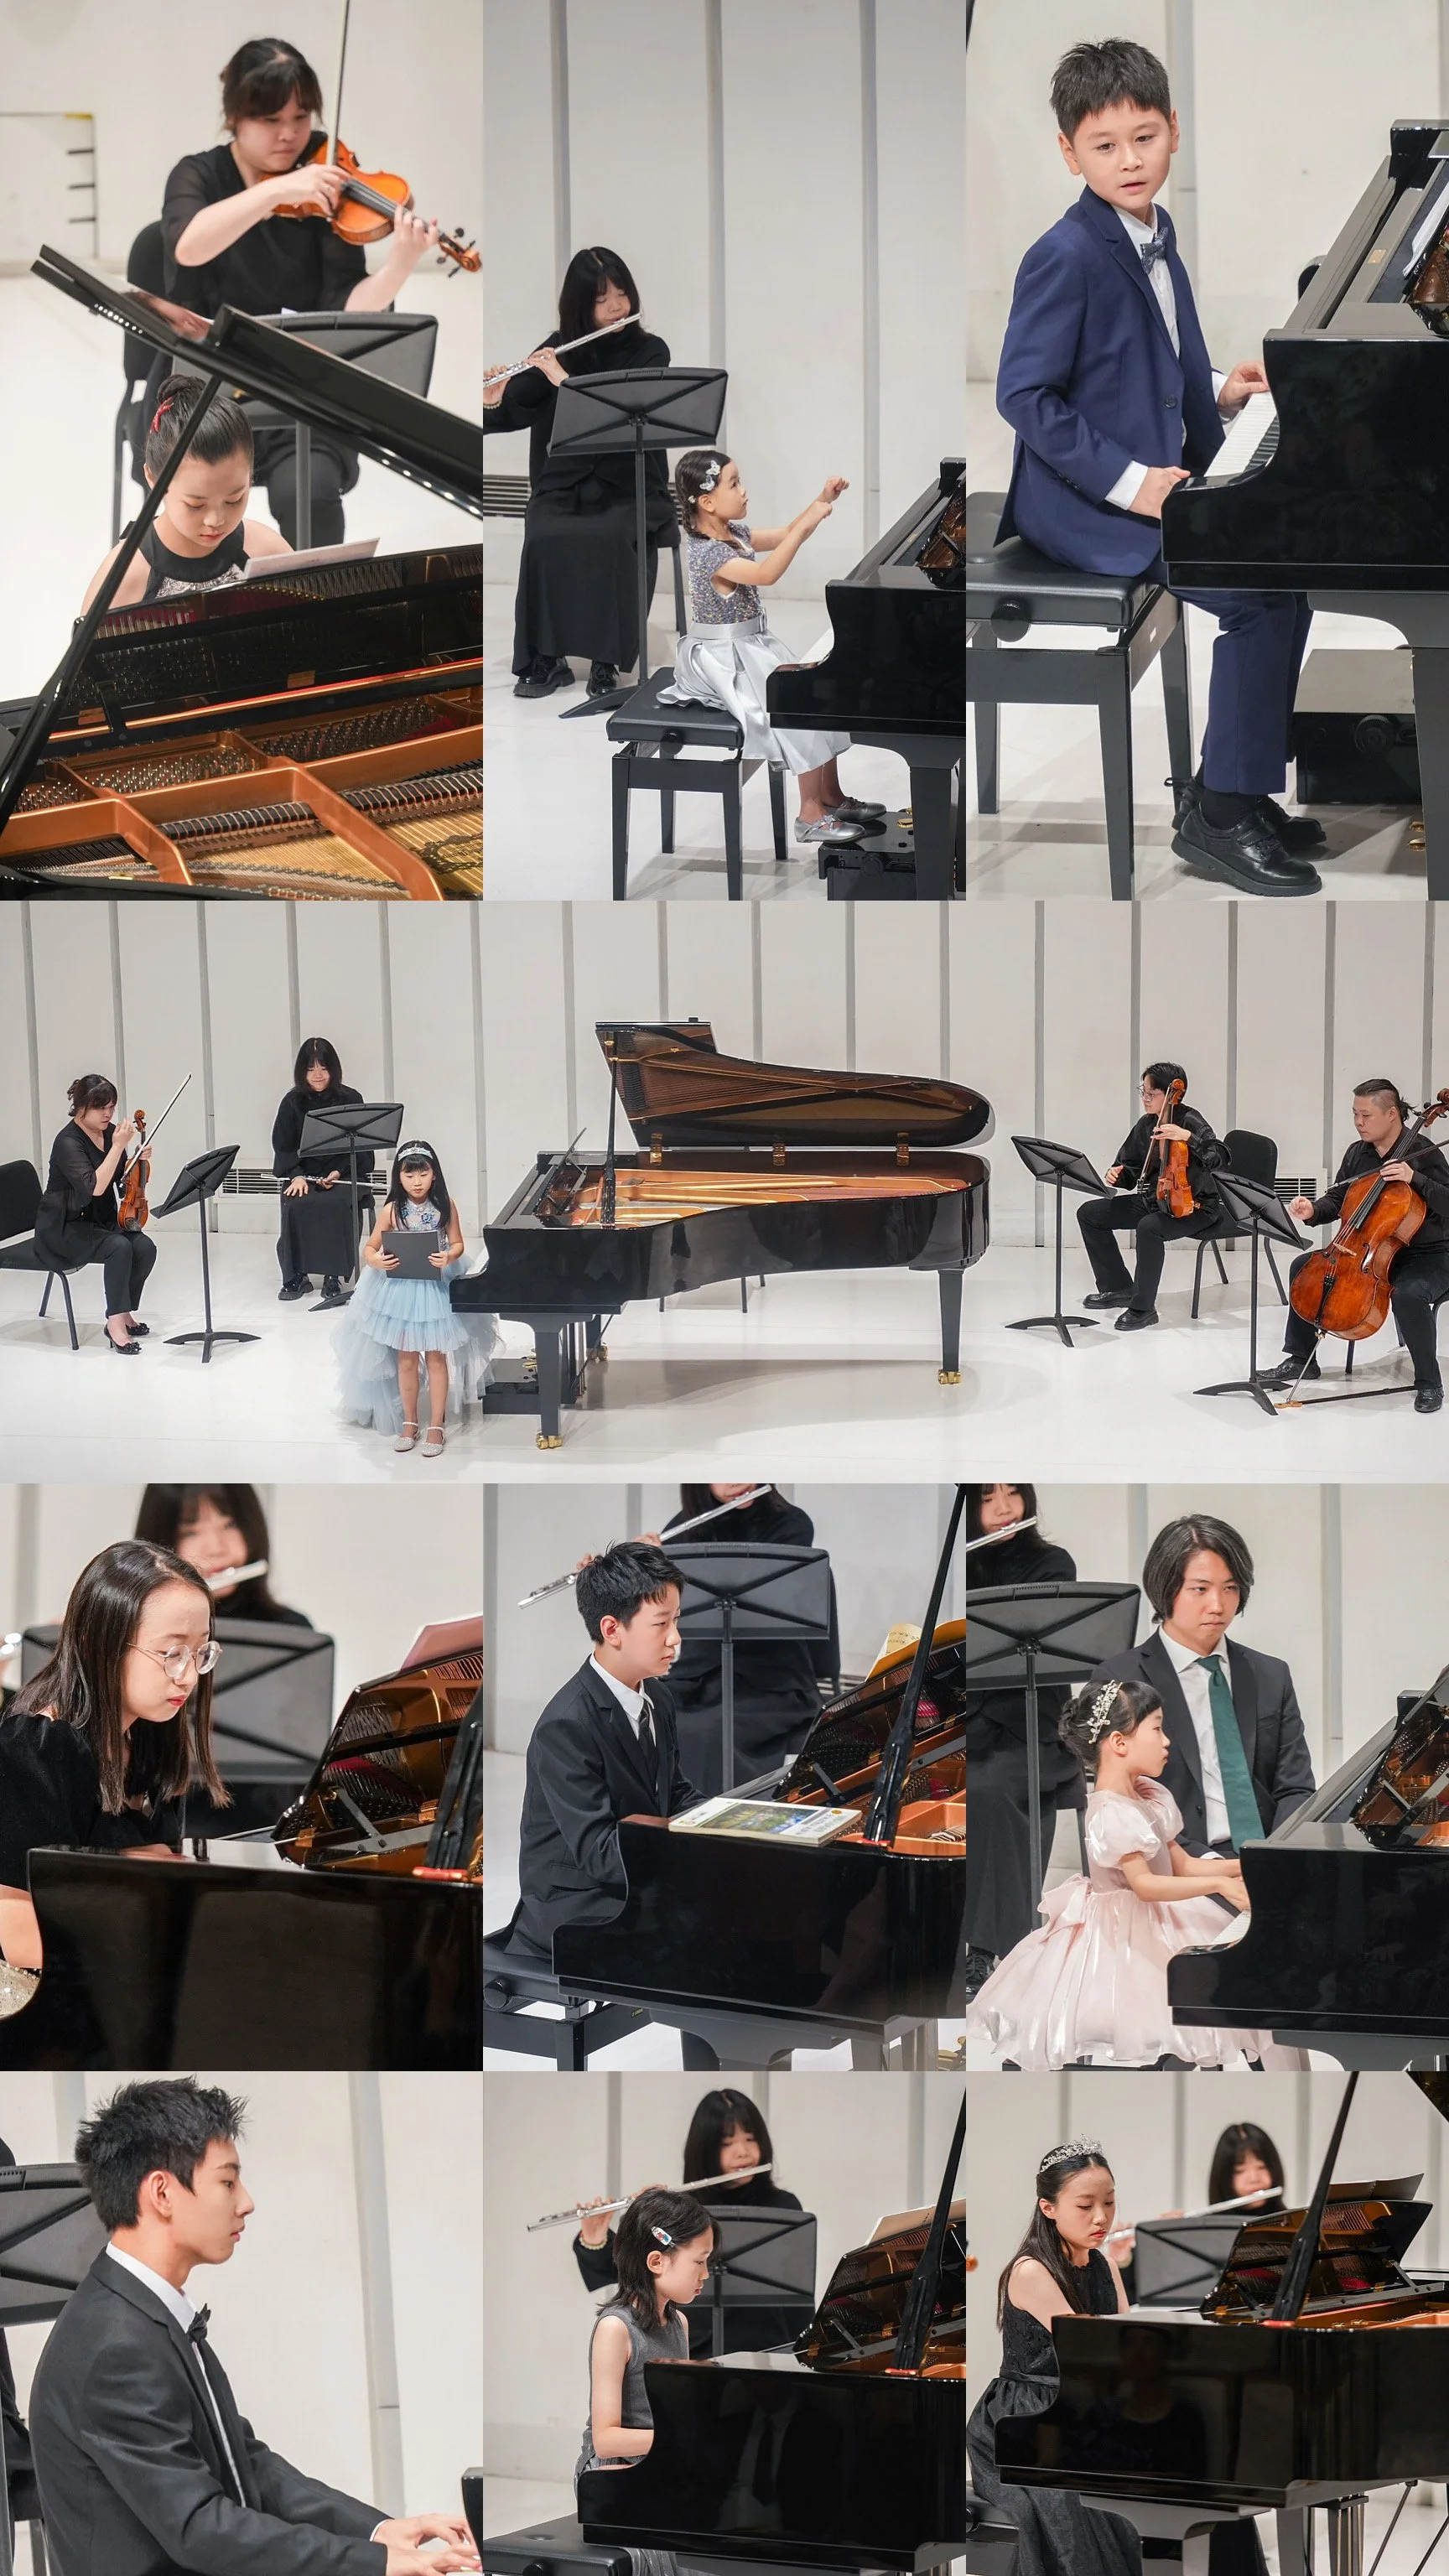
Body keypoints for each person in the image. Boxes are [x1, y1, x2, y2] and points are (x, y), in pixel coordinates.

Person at [996, 38, 1322, 897]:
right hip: (1088, 503)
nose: (1130, 160)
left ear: (1174, 130)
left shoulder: (1150, 227)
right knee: (1254, 597)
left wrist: (1215, 389)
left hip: (1159, 476)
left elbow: (1149, 352)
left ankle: (1239, 788)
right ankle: (1217, 816)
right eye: (1105, 146)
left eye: (1144, 137)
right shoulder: (1063, 255)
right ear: (1069, 152)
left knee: (1289, 578)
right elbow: (1027, 396)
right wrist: (1134, 483)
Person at [29, 2078, 479, 2573]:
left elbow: (244, 2460)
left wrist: (375, 2531)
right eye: (227, 2181)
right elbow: (200, 2528)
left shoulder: (141, 2313)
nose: (246, 2201)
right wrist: (373, 2563)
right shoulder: (115, 2346)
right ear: (162, 2191)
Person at [160, 37, 439, 547]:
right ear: (235, 117)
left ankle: (319, 609)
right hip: (205, 395)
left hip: (298, 394)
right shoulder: (198, 174)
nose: (290, 135)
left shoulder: (326, 186)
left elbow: (346, 306)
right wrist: (276, 190)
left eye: (301, 117)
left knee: (309, 490)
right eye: (271, 120)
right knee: (200, 502)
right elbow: (188, 246)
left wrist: (399, 266)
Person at [967, 1678, 1300, 2071]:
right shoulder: (1110, 1811)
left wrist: (1253, 1863)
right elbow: (1143, 1886)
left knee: (1228, 1994)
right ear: (1119, 1743)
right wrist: (1219, 1883)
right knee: (1171, 2012)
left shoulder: (1148, 1795)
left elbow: (1183, 1865)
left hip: (1164, 1919)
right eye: (1157, 1728)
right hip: (1122, 1933)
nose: (1167, 1741)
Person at [505, 1542, 717, 2059]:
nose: (675, 1640)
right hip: (573, 1904)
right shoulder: (565, 1724)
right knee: (707, 1932)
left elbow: (676, 1793)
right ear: (612, 1629)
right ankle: (718, 2068)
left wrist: (725, 1822)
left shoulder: (655, 1696)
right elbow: (598, 1851)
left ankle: (726, 2059)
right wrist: (681, 1850)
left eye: (677, 1621)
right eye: (661, 1624)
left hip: (627, 1876)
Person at [0, 1540, 226, 1980]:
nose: (188, 1675)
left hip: (112, 1976)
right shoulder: (34, 1746)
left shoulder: (152, 1732)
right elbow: (20, 1934)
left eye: (201, 1652)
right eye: (171, 1653)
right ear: (97, 1645)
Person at [661, 449, 886, 844]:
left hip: (751, 643)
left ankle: (830, 796)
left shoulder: (733, 535)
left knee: (818, 688)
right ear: (708, 501)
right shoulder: (709, 554)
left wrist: (822, 502)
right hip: (723, 656)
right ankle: (809, 814)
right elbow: (766, 574)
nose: (745, 492)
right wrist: (803, 529)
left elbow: (785, 533)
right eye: (735, 484)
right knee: (793, 705)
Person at [485, 247, 674, 699]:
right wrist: (494, 396)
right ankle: (546, 658)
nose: (615, 308)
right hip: (563, 484)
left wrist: (562, 380)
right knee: (544, 533)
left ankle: (606, 660)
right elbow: (513, 411)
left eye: (622, 295)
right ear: (578, 305)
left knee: (611, 536)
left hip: (628, 485)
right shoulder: (557, 346)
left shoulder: (650, 351)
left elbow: (617, 413)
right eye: (601, 299)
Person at [1087, 1514, 1315, 1857]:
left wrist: (1277, 1857)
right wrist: (1209, 1867)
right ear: (1166, 1588)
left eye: (1230, 1588)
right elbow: (1120, 1800)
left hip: (1267, 1856)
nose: (1218, 1606)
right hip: (1175, 1864)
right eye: (1201, 1589)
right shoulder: (1119, 1680)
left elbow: (1296, 1788)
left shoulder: (1271, 1674)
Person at [1259, 1075, 1449, 1414]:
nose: (1359, 1123)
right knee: (1304, 1267)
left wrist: (1415, 1179)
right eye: (1355, 1115)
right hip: (1369, 1251)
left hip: (1428, 1254)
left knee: (1409, 1293)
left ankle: (1429, 1382)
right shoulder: (1357, 1153)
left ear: (1392, 1114)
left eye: (1366, 1116)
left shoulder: (1424, 1155)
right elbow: (1338, 1200)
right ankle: (1301, 1358)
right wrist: (1313, 1209)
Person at [574, 2088, 805, 2356]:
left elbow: (797, 2292)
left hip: (767, 2348)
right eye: (727, 2143)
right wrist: (615, 2230)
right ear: (704, 2150)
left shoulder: (783, 2206)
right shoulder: (682, 2210)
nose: (743, 2152)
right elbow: (634, 2269)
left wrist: (803, 2352)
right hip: (692, 2347)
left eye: (751, 2139)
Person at [962, 1484, 1082, 1998]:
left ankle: (993, 1949)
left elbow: (1031, 1662)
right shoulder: (956, 1566)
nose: (1006, 1509)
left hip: (1029, 1724)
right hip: (964, 1720)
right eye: (989, 1499)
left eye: (1014, 1495)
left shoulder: (1050, 1564)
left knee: (990, 1789)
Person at [575, 2186, 714, 2576]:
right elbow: (606, 2439)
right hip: (613, 2472)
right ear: (657, 2261)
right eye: (699, 2262)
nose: (706, 2274)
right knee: (677, 2553)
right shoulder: (616, 2328)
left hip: (658, 2462)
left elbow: (675, 2412)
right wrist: (682, 2441)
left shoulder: (679, 2322)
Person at [661, 1483, 829, 1795]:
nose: (740, 1481)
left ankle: (715, 1829)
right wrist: (640, 1563)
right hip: (698, 1677)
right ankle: (658, 1830)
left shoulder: (790, 1524)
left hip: (771, 1679)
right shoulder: (679, 1531)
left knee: (712, 1731)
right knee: (649, 1717)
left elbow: (779, 1602)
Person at [333, 1139, 494, 1456]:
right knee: (406, 1357)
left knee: (436, 1355)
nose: (416, 1182)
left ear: (434, 1174)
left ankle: (436, 1423)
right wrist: (376, 1260)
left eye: (423, 1174)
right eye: (409, 1175)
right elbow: (370, 1247)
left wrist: (449, 1256)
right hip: (401, 1289)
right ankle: (410, 1421)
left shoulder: (445, 1205)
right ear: (399, 1177)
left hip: (435, 1286)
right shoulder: (393, 1209)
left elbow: (459, 1243)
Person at [81, 377, 292, 610]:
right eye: (195, 505)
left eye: (234, 499)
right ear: (153, 478)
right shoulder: (125, 578)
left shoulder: (267, 553)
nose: (216, 520)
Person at [1075, 1062, 1225, 1330]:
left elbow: (1220, 1158)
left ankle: (1144, 1308)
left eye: (1150, 1094)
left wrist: (1187, 1136)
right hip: (1156, 1199)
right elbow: (1130, 1171)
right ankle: (1119, 1287)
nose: (1144, 1098)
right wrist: (1117, 1175)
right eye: (1142, 1091)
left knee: (1149, 1227)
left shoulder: (1190, 1120)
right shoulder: (1146, 1125)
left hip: (1196, 1206)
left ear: (1171, 1094)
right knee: (1089, 1213)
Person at [34, 1074, 157, 1355]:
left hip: (97, 1221)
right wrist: (117, 1146)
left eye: (112, 1107)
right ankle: (115, 1325)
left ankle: (123, 1311)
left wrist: (137, 1161)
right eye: (101, 1107)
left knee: (145, 1247)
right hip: (62, 1227)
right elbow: (96, 1187)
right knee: (118, 1247)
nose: (108, 1114)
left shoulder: (112, 1133)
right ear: (81, 1108)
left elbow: (122, 1181)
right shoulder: (68, 1142)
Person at [271, 1036, 369, 1301]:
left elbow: (360, 1147)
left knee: (336, 1204)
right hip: (303, 1173)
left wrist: (338, 1173)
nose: (317, 1075)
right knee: (296, 1202)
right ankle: (296, 1275)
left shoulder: (351, 1097)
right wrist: (297, 1175)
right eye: (310, 1069)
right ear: (302, 1071)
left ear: (333, 1069)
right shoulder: (292, 1101)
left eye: (323, 1069)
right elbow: (283, 1145)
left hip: (343, 1173)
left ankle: (332, 1275)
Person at [134, 1486, 313, 1627]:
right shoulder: (138, 1631)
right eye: (190, 1533)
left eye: (230, 1525)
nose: (216, 1548)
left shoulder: (291, 1630)